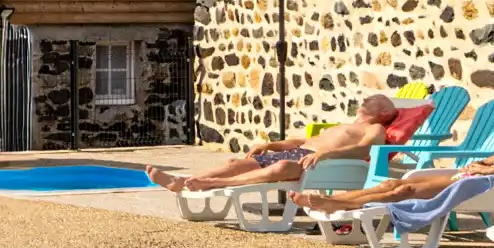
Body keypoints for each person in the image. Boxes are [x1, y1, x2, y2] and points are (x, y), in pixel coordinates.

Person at [294, 110, 494, 213]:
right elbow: (487, 159)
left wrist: (490, 168)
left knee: (403, 192)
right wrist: (482, 164)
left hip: (486, 185)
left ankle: (338, 204)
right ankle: (342, 201)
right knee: (398, 181)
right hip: (472, 176)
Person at [146, 94, 399, 193]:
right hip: (301, 153)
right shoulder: (345, 125)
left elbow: (366, 149)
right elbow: (302, 140)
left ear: (385, 111)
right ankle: (181, 182)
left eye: (375, 99)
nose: (367, 98)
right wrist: (271, 145)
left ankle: (211, 183)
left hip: (319, 163)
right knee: (237, 162)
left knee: (280, 170)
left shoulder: (375, 128)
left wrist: (326, 155)